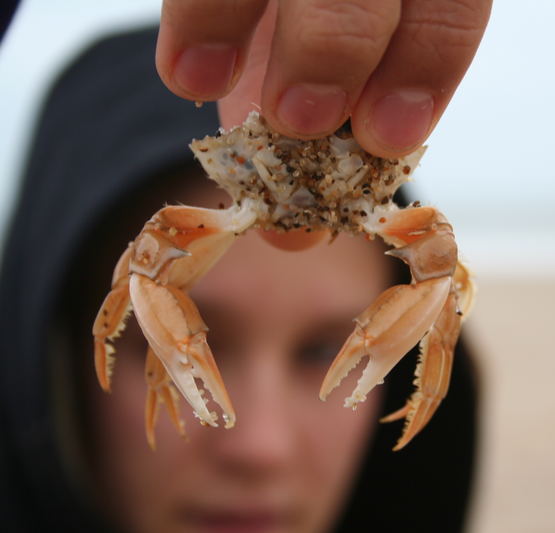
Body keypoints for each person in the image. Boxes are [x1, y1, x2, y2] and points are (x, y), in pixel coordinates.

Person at [0, 26, 479, 533]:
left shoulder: (423, 260)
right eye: (165, 346)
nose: (260, 448)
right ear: (43, 354)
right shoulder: (156, 247)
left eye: (321, 352)